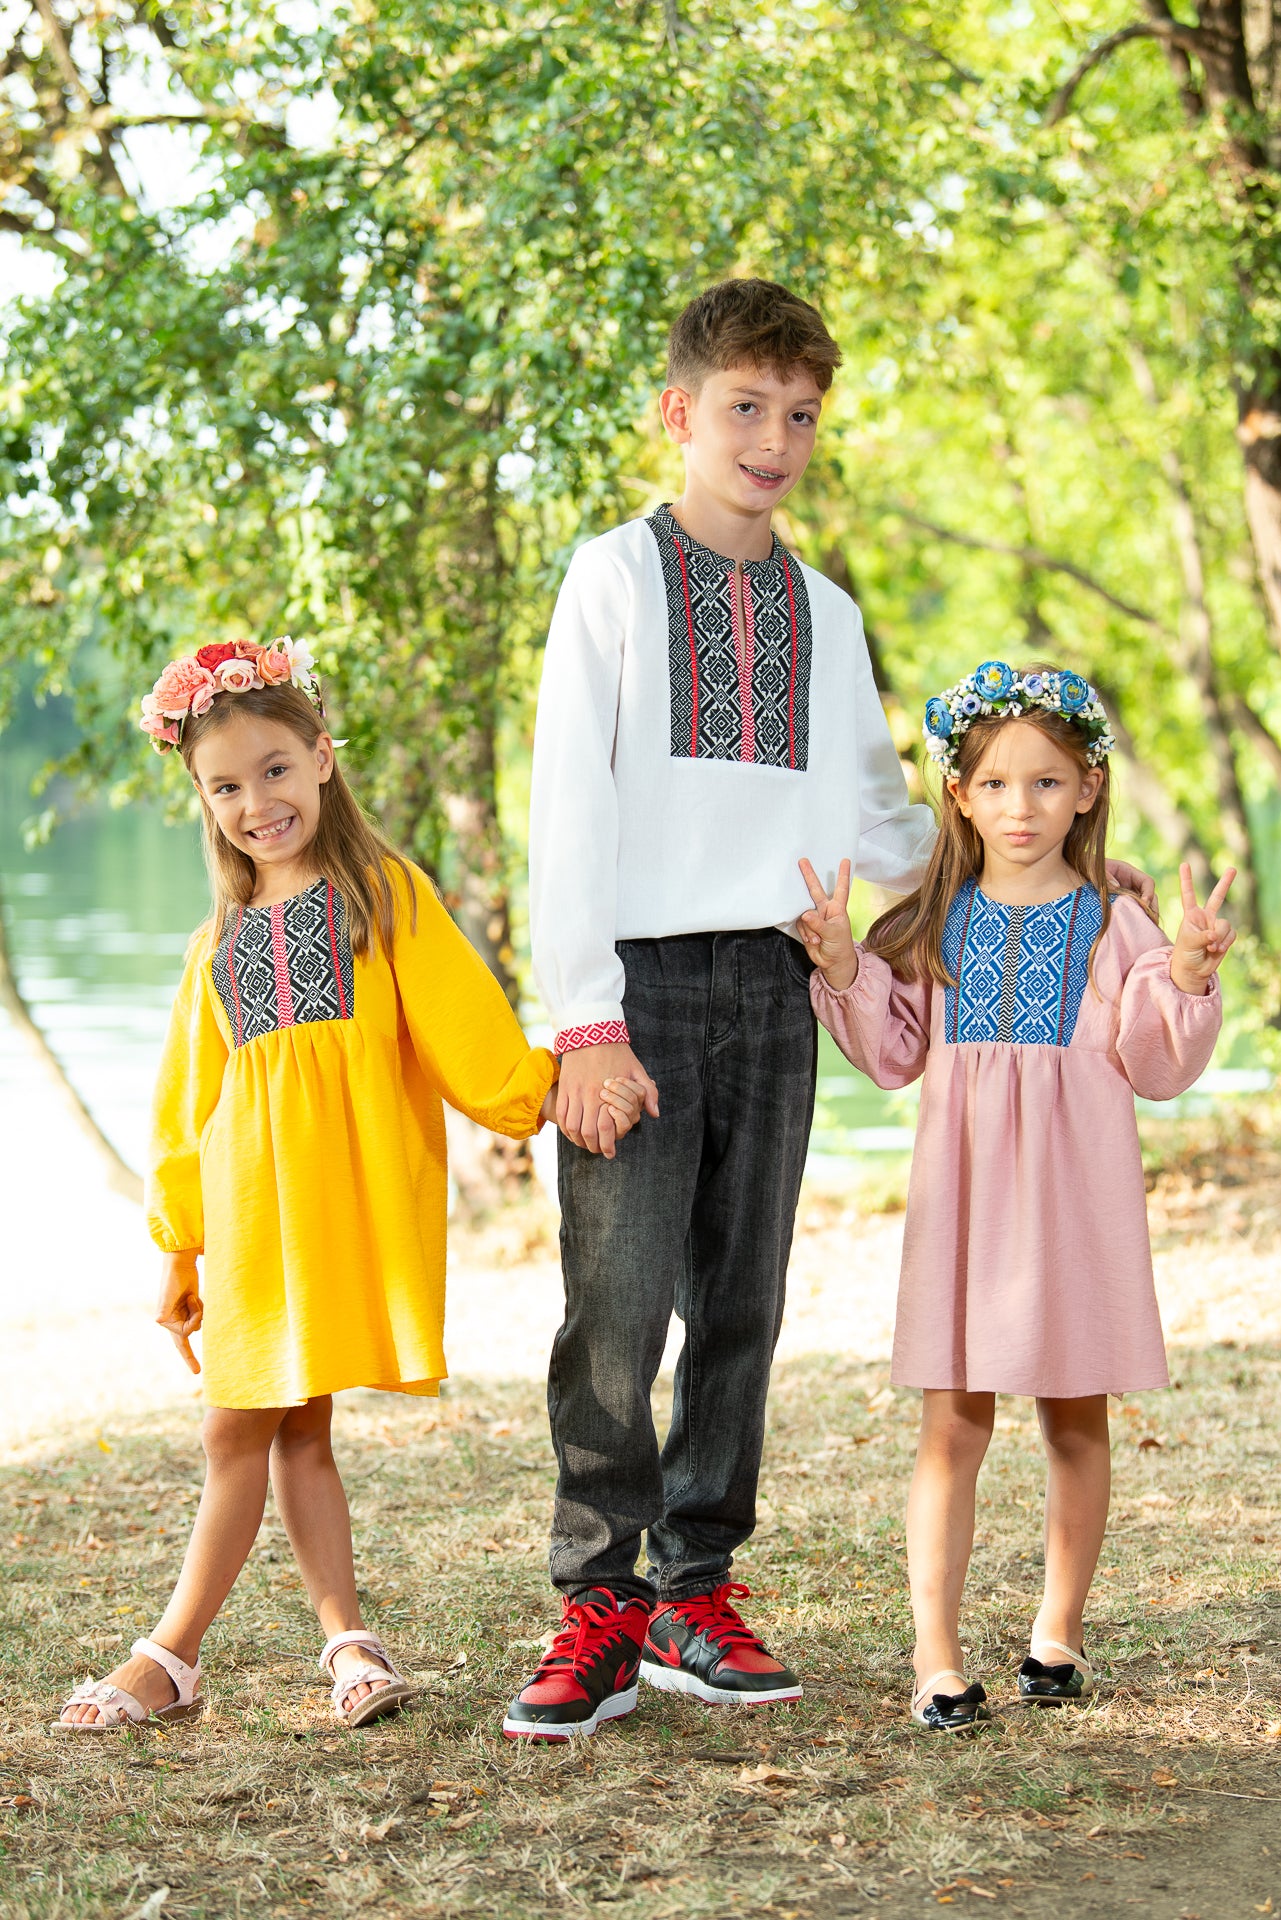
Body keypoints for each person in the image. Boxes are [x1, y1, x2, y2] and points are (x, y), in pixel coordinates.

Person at [54, 639, 642, 1735]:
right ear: (202, 801)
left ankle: (189, 1655)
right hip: (249, 1229)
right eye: (225, 787)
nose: (256, 803)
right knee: (265, 1433)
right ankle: (318, 1646)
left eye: (275, 769)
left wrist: (554, 1090)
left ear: (322, 757)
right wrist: (178, 1247)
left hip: (335, 1216)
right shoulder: (215, 945)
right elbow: (187, 1111)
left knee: (264, 1432)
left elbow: (468, 1032)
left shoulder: (382, 897)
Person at [501, 277, 940, 1741]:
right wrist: (585, 1020)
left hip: (774, 979)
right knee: (617, 1307)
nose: (774, 441)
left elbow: (874, 819)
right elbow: (569, 804)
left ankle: (697, 1588)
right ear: (679, 413)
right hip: (634, 989)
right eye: (746, 409)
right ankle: (599, 1601)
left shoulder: (829, 614)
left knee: (740, 1302)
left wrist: (1031, 866)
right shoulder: (613, 578)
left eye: (801, 415)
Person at [799, 659, 1233, 1732]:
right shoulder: (930, 923)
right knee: (952, 1423)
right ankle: (935, 1657)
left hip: (1075, 1204)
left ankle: (1058, 1634)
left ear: (1088, 789)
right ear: (957, 795)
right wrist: (844, 963)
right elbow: (892, 1053)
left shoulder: (1117, 926)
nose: (1019, 806)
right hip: (967, 1207)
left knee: (1075, 1418)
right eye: (994, 783)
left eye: (1045, 782)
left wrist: (1185, 971)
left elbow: (1155, 1061)